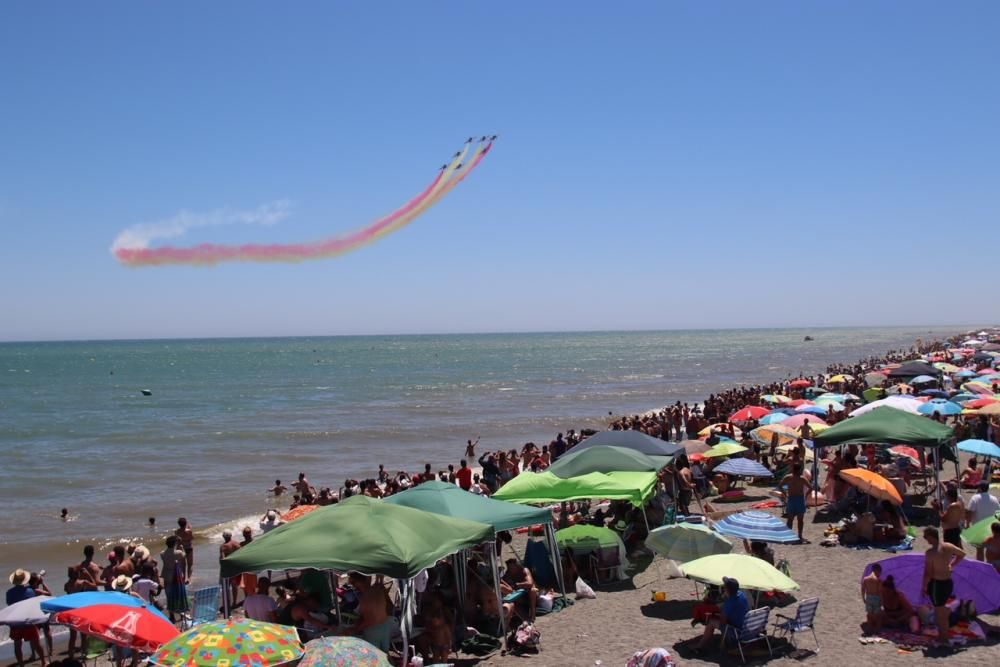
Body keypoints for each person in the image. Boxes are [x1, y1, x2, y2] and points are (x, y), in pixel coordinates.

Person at [922, 526, 966, 646]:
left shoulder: (930, 553)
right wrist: (952, 565)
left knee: (939, 614)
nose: (926, 539)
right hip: (948, 583)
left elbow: (928, 573)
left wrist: (924, 587)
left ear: (931, 537)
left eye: (926, 537)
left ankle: (944, 639)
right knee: (941, 612)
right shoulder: (948, 546)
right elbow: (962, 554)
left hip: (937, 584)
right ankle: (943, 635)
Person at [692, 576, 748, 654]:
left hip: (735, 631)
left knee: (711, 622)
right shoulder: (742, 595)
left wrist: (718, 614)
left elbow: (723, 622)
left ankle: (700, 646)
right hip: (744, 626)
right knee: (716, 617)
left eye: (725, 588)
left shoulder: (729, 603)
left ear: (727, 590)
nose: (723, 589)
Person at [6, 569, 47, 667]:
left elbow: (9, 604)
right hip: (28, 621)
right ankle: (43, 662)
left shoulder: (9, 593)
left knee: (17, 645)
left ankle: (21, 665)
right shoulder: (30, 591)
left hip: (15, 621)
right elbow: (33, 604)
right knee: (36, 643)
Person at [344, 572, 395, 652]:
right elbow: (386, 609)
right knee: (385, 654)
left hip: (373, 632)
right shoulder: (377, 588)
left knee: (375, 656)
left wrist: (355, 629)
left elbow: (371, 620)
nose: (353, 586)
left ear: (359, 582)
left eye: (353, 583)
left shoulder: (365, 597)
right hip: (385, 627)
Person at [966, 482, 1000, 560]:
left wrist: (967, 524)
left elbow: (969, 512)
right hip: (991, 528)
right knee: (990, 548)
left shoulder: (975, 498)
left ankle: (981, 566)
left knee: (979, 549)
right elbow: (998, 513)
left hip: (978, 528)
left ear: (979, 488)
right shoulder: (994, 498)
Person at [160, 535, 188, 623]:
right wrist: (182, 547)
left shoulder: (162, 553)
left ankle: (171, 616)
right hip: (176, 576)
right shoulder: (178, 553)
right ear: (175, 543)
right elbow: (184, 555)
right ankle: (181, 614)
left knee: (169, 597)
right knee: (179, 595)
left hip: (166, 575)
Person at [781, 462, 809, 541]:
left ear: (793, 469)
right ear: (800, 469)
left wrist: (785, 494)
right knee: (799, 519)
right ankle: (799, 536)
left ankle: (789, 536)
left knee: (790, 519)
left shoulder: (788, 477)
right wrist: (806, 495)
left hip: (792, 499)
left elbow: (780, 486)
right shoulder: (802, 478)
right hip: (799, 499)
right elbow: (810, 487)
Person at [219, 531, 241, 607]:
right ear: (231, 536)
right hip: (235, 567)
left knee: (226, 586)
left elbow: (222, 558)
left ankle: (226, 603)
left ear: (224, 537)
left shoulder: (223, 546)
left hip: (227, 568)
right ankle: (234, 602)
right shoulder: (236, 544)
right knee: (235, 586)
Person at [861, 563, 882, 635]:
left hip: (869, 598)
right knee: (877, 614)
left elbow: (863, 589)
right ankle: (877, 629)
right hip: (876, 598)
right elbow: (879, 592)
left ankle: (869, 628)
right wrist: (881, 601)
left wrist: (863, 598)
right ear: (877, 571)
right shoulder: (878, 580)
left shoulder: (866, 579)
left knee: (869, 614)